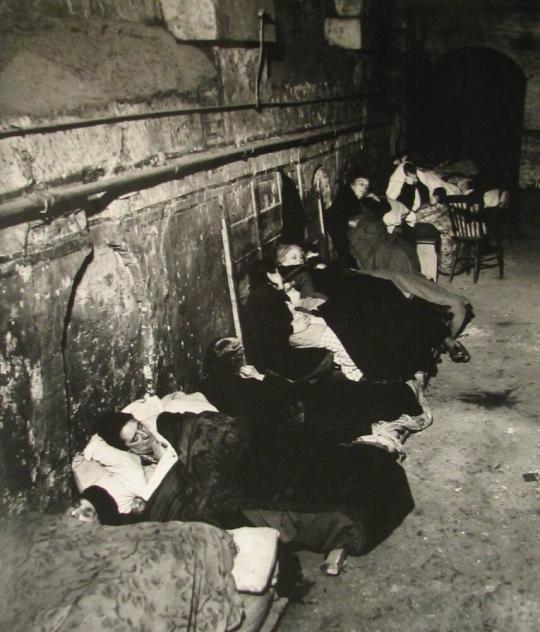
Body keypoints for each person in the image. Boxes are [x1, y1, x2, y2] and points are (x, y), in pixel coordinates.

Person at [83, 409, 412, 556]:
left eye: (138, 427)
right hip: (235, 485)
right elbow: (189, 496)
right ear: (128, 450)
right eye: (134, 440)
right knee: (304, 501)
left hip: (248, 456)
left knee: (312, 459)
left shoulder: (171, 426)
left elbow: (214, 428)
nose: (143, 437)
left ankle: (365, 456)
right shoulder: (149, 477)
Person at [414, 187, 455, 274]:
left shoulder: (433, 208)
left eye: (434, 197)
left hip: (427, 229)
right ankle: (445, 267)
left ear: (436, 197)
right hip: (435, 229)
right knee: (446, 237)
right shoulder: (445, 208)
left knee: (445, 238)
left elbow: (418, 217)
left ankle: (443, 266)